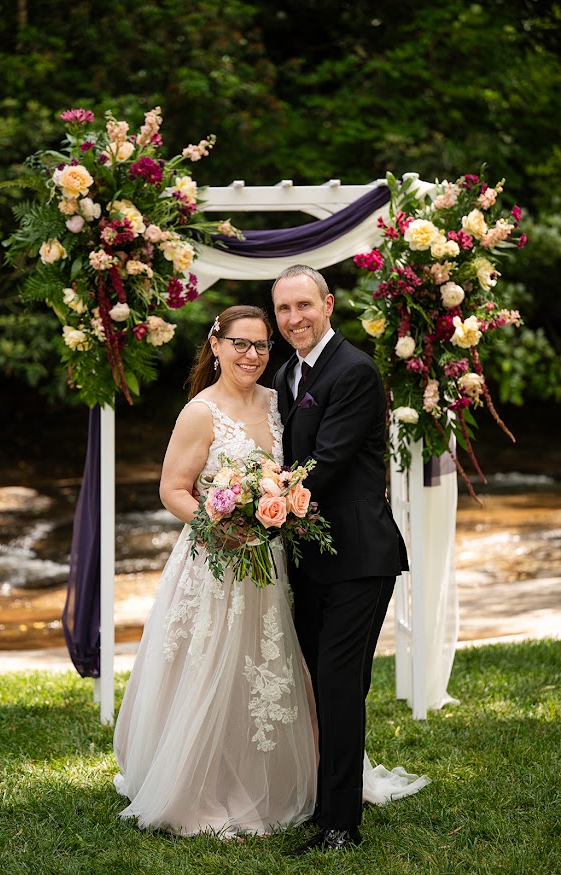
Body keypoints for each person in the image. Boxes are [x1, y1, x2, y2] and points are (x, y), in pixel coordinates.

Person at [113, 305, 318, 837]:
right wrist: (217, 523)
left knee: (266, 662)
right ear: (217, 345)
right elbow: (172, 490)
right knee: (211, 664)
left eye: (262, 346)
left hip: (270, 559)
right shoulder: (200, 412)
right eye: (241, 344)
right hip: (215, 560)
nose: (252, 355)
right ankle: (198, 782)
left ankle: (276, 775)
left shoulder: (280, 403)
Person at [272, 264, 412, 855]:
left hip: (357, 554)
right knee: (330, 682)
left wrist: (260, 499)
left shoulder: (354, 371)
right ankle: (331, 800)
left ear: (328, 304)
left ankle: (338, 825)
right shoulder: (286, 373)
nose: (294, 319)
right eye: (283, 310)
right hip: (309, 556)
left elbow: (325, 461)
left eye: (304, 305)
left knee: (336, 681)